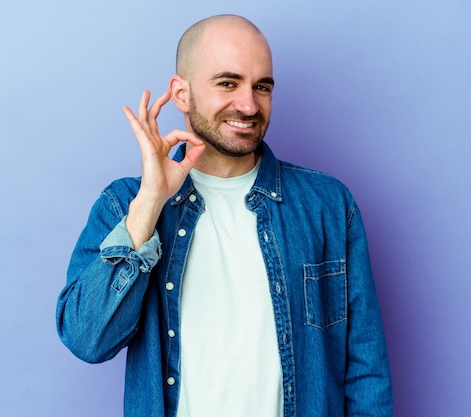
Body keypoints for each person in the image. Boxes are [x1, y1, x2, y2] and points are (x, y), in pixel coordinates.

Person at [56, 14, 393, 417]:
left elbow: (366, 369)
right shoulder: (125, 204)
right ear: (181, 94)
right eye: (228, 83)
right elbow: (87, 340)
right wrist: (150, 202)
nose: (249, 104)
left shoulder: (328, 205)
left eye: (262, 87)